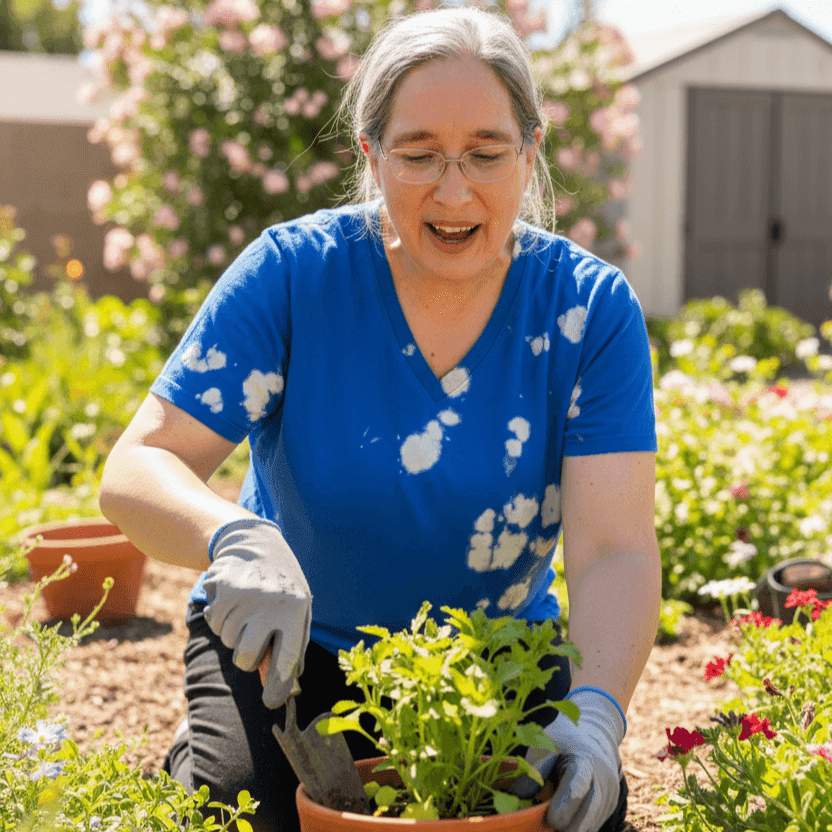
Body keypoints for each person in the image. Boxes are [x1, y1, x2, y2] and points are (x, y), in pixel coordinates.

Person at [99, 5, 661, 832]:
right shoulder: (294, 278)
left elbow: (614, 547)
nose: (453, 188)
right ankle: (213, 744)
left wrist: (600, 713)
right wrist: (233, 537)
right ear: (370, 153)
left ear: (530, 150)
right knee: (241, 814)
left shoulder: (586, 310)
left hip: (492, 662)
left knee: (565, 817)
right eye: (419, 154)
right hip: (289, 651)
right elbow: (139, 465)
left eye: (485, 152)